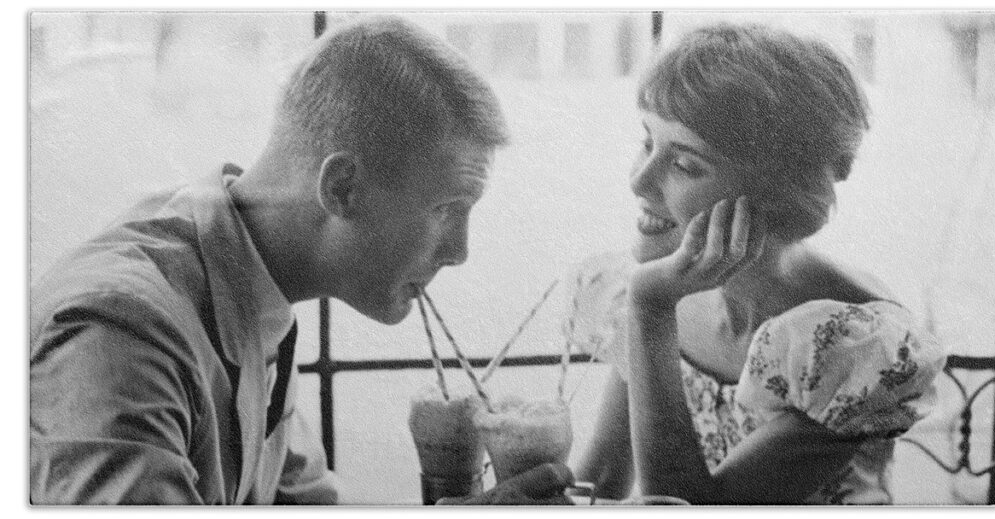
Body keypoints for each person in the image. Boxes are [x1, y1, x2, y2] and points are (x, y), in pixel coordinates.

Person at [30, 16, 573, 505]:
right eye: (446, 210)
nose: (460, 252)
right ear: (341, 188)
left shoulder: (252, 287)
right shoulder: (121, 334)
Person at [566, 22, 947, 504]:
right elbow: (600, 479)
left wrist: (652, 310)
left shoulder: (851, 346)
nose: (639, 182)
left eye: (685, 163)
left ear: (776, 194)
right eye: (647, 142)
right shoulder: (661, 285)